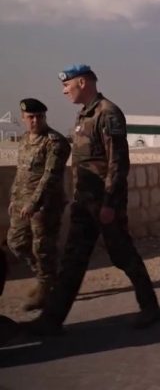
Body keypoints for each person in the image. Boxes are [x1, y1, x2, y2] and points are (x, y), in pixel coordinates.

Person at [24, 64, 160, 335]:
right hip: (84, 204)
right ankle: (51, 320)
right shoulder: (82, 116)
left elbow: (118, 163)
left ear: (83, 83)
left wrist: (109, 204)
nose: (64, 91)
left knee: (123, 256)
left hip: (104, 204)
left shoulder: (108, 113)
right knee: (72, 261)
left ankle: (150, 308)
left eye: (67, 84)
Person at [6, 98, 70, 311]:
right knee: (16, 242)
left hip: (45, 205)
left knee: (43, 247)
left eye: (39, 117)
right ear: (23, 118)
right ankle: (47, 277)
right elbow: (21, 173)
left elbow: (49, 177)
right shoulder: (24, 140)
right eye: (30, 117)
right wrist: (14, 200)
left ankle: (45, 287)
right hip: (22, 203)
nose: (35, 121)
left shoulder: (55, 142)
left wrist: (34, 203)